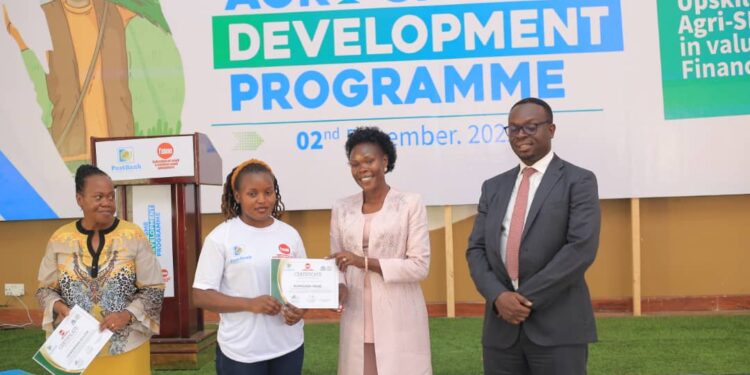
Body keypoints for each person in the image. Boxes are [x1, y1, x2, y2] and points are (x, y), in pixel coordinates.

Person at [466, 97, 601, 374]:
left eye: (530, 127)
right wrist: (499, 297)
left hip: (559, 329)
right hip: (500, 329)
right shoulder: (493, 187)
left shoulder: (579, 181)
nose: (520, 136)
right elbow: (476, 250)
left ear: (551, 130)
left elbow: (580, 249)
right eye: (513, 129)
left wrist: (522, 299)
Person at [36, 164, 165, 374]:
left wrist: (126, 315)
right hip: (75, 348)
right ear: (80, 199)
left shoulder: (133, 235)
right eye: (98, 197)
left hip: (126, 345)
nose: (107, 203)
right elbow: (44, 289)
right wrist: (59, 307)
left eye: (110, 197)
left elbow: (154, 288)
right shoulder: (60, 238)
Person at [330, 126, 432, 375]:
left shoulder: (410, 203)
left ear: (384, 161)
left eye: (368, 160)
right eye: (354, 164)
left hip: (399, 315)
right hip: (356, 314)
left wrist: (362, 261)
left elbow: (419, 266)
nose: (361, 168)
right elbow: (337, 262)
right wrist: (339, 287)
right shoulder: (341, 207)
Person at [193, 159, 307, 375]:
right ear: (237, 196)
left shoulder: (290, 234)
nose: (262, 200)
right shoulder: (221, 237)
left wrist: (301, 310)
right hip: (241, 352)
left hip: (288, 346)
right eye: (252, 194)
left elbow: (303, 285)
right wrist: (249, 304)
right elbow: (201, 295)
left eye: (268, 192)